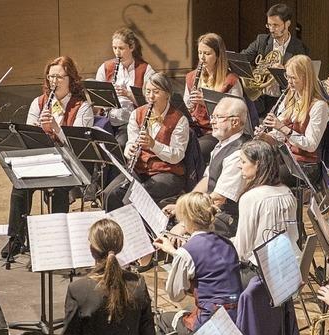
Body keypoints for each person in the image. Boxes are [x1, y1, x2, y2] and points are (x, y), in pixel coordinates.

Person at [155, 192, 243, 335]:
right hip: (235, 321)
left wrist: (177, 257)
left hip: (210, 328)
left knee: (165, 320)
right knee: (188, 316)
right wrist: (178, 254)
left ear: (188, 220)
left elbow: (174, 294)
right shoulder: (228, 244)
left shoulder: (188, 252)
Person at [2, 56, 93, 258]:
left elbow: (79, 145)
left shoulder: (82, 107)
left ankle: (57, 241)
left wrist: (57, 128)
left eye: (59, 77)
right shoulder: (39, 102)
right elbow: (27, 136)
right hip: (43, 158)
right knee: (19, 186)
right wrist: (35, 131)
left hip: (69, 163)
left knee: (60, 189)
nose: (54, 81)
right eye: (51, 77)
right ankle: (16, 238)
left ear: (71, 79)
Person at [164, 97, 250, 237]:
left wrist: (185, 221)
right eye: (213, 116)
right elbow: (208, 179)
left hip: (228, 219)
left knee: (180, 235)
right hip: (210, 210)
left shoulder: (238, 153)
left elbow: (218, 199)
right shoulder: (223, 143)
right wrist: (184, 205)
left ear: (235, 121)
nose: (212, 121)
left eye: (218, 117)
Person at [103, 72, 189, 212]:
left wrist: (153, 145)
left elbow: (177, 155)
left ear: (167, 94)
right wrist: (129, 150)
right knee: (110, 194)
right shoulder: (137, 114)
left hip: (168, 173)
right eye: (148, 91)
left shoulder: (180, 120)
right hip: (139, 168)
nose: (150, 96)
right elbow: (131, 141)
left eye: (156, 92)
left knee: (136, 197)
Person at [256, 54, 329, 187]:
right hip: (286, 157)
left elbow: (311, 144)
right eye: (287, 76)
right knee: (251, 165)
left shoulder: (319, 106)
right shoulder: (289, 99)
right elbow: (278, 137)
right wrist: (265, 137)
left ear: (305, 78)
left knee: (265, 177)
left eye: (293, 78)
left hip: (305, 165)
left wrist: (283, 128)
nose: (288, 82)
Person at [232, 139, 300, 285]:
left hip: (260, 273)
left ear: (257, 164)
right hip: (289, 268)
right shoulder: (288, 192)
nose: (239, 166)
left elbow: (242, 251)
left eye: (243, 162)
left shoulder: (250, 198)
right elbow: (294, 235)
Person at [240, 3, 309, 116]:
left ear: (287, 24)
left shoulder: (299, 48)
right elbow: (242, 59)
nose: (272, 29)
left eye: (276, 25)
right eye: (269, 25)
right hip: (259, 99)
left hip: (284, 100)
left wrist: (284, 72)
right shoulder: (262, 40)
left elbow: (303, 80)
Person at [184, 33, 243, 162]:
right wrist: (190, 106)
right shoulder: (191, 77)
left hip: (218, 131)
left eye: (207, 54)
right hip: (195, 127)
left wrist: (206, 102)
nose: (202, 58)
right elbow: (185, 106)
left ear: (218, 55)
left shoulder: (231, 80)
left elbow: (237, 113)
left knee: (197, 149)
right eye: (200, 53)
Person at [95, 28, 155, 148]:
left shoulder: (145, 70)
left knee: (120, 145)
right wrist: (106, 98)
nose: (117, 52)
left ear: (131, 47)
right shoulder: (105, 68)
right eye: (114, 48)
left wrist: (127, 94)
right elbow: (96, 99)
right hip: (107, 119)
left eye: (121, 48)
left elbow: (150, 102)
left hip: (130, 122)